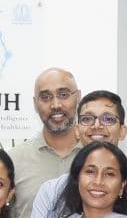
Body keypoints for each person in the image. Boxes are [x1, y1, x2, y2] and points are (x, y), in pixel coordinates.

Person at [27, 90, 127, 218]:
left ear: (122, 131)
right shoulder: (52, 192)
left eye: (108, 119)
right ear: (77, 130)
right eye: (87, 119)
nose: (97, 126)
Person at [9, 66, 82, 206]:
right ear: (35, 104)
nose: (55, 105)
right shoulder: (14, 160)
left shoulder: (96, 157)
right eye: (45, 97)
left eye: (63, 95)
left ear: (78, 97)